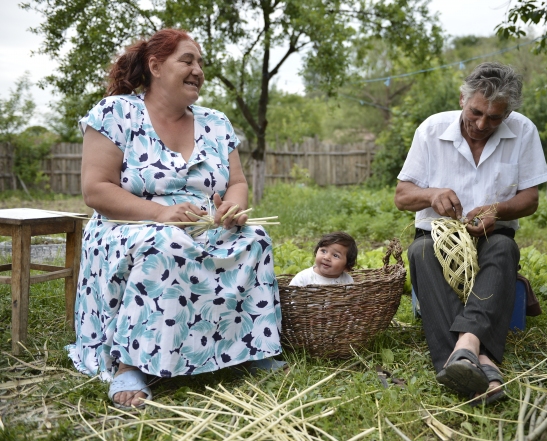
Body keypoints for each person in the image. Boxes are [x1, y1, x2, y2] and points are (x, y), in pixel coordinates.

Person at [66, 29, 282, 409]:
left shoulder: (216, 122)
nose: (197, 70)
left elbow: (237, 183)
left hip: (203, 226)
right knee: (169, 243)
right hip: (129, 227)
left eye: (200, 63)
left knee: (255, 239)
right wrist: (162, 214)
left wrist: (230, 208)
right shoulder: (115, 112)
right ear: (155, 66)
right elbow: (97, 190)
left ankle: (246, 348)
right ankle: (130, 363)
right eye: (187, 60)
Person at [394, 62, 547, 404]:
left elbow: (530, 199)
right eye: (476, 112)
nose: (482, 125)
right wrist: (431, 194)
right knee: (419, 253)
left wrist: (497, 210)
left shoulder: (523, 131)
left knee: (503, 251)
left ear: (508, 112)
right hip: (437, 238)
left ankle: (463, 349)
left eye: (495, 118)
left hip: (491, 235)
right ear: (462, 98)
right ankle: (481, 360)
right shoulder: (431, 130)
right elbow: (402, 195)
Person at [289, 232, 357, 286]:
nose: (327, 257)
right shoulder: (303, 278)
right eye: (323, 251)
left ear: (347, 266)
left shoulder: (347, 281)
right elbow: (291, 300)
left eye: (335, 255)